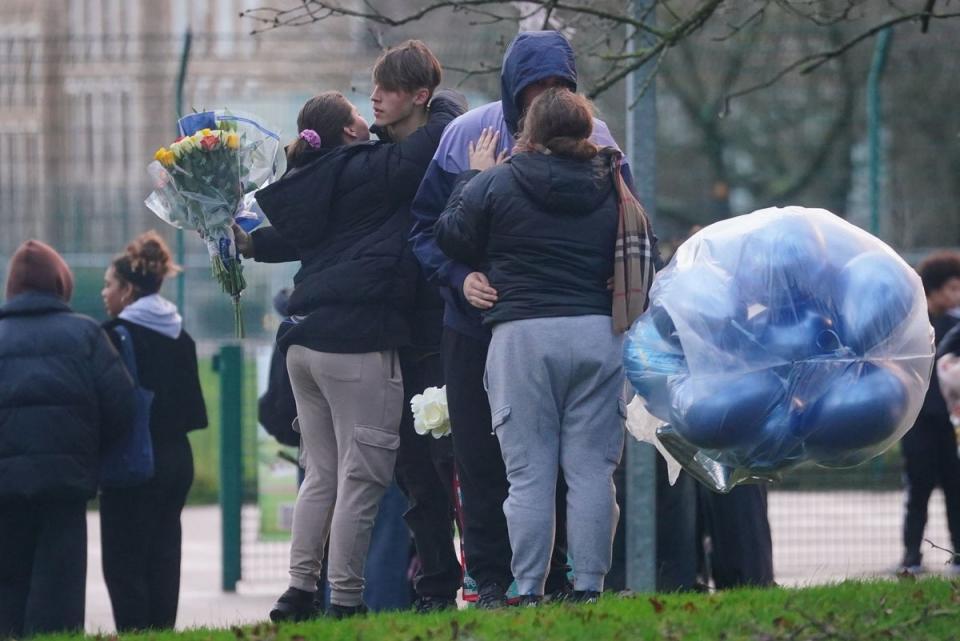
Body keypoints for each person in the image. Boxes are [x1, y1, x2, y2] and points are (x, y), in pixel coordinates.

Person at [411, 30, 641, 608]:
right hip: (483, 326)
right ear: (514, 90)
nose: (544, 98)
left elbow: (450, 225)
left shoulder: (595, 147)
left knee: (530, 470)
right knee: (488, 461)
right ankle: (502, 576)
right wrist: (459, 277)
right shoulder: (468, 134)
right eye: (534, 87)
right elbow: (423, 232)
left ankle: (533, 584)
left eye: (556, 87)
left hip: (519, 332)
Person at [237, 45, 466, 619]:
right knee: (362, 479)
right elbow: (423, 152)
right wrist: (442, 108)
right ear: (348, 131)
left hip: (303, 339)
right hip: (356, 340)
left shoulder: (319, 177)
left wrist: (248, 242)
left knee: (319, 476)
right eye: (364, 107)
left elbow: (298, 240)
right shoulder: (376, 168)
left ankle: (297, 592)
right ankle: (344, 598)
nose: (372, 106)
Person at [0, 240, 134, 638]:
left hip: (4, 491)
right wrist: (86, 449)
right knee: (58, 594)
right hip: (65, 486)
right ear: (61, 284)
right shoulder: (86, 335)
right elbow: (121, 406)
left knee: (8, 589)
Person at [371, 41, 462, 613]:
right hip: (395, 333)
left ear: (419, 97)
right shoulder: (375, 158)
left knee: (454, 464)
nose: (374, 97)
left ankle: (484, 578)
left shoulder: (451, 155)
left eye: (388, 88)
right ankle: (435, 587)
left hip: (446, 328)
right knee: (413, 474)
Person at [99, 231, 208, 631]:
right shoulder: (181, 335)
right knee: (164, 555)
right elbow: (194, 410)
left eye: (109, 285)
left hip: (133, 464)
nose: (104, 294)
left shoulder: (114, 336)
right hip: (177, 460)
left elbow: (109, 406)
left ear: (128, 290)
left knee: (125, 563)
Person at [899, 251, 960, 574]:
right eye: (952, 288)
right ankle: (911, 556)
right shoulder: (912, 326)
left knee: (956, 489)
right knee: (918, 489)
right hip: (918, 422)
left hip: (952, 424)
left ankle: (958, 555)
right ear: (933, 289)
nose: (957, 295)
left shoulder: (956, 327)